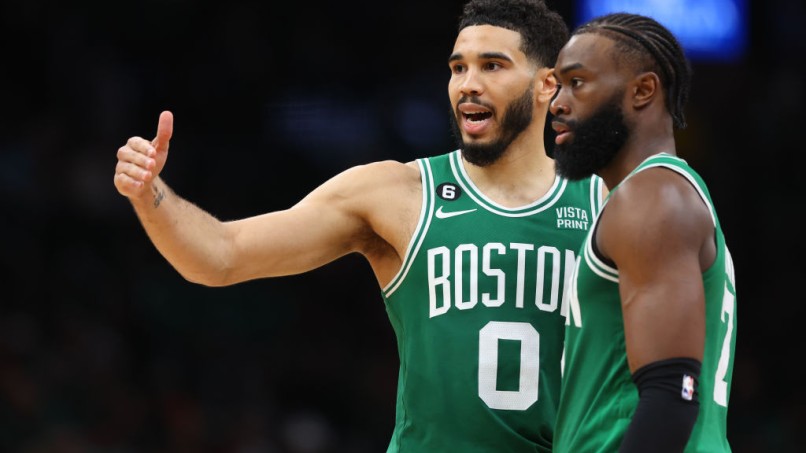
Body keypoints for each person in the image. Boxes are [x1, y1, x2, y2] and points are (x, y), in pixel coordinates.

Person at [114, 0, 605, 451]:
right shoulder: (397, 192)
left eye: (492, 65)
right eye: (458, 68)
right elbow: (221, 255)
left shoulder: (606, 202)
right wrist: (151, 193)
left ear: (547, 84)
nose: (467, 84)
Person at [550, 12, 737, 452]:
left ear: (643, 91)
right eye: (557, 84)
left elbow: (672, 394)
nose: (557, 102)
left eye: (576, 83)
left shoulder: (651, 198)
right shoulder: (656, 194)